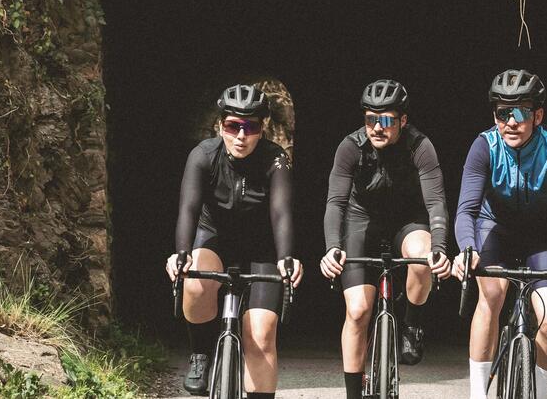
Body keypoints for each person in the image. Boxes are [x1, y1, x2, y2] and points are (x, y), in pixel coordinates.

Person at [451, 70, 547, 399]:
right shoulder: (484, 147)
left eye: (521, 113)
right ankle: (478, 394)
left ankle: (541, 394)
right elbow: (466, 211)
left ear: (538, 116)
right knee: (491, 296)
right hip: (494, 231)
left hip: (540, 238)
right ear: (495, 116)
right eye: (504, 113)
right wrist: (468, 249)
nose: (511, 122)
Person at [166, 85, 303, 398]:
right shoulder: (203, 155)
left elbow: (281, 212)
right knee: (195, 283)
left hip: (261, 248)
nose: (241, 136)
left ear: (261, 130)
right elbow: (188, 209)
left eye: (250, 127)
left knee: (261, 336)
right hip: (214, 237)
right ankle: (200, 353)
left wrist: (286, 257)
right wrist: (181, 253)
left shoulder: (275, 159)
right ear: (220, 126)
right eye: (232, 126)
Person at [320, 79, 453, 399]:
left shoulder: (420, 146)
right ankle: (354, 393)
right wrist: (332, 247)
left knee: (422, 259)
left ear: (403, 120)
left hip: (408, 221)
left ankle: (411, 324)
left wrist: (439, 248)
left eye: (386, 120)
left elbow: (436, 202)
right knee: (357, 311)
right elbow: (335, 203)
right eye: (370, 119)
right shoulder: (351, 147)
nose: (377, 127)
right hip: (361, 221)